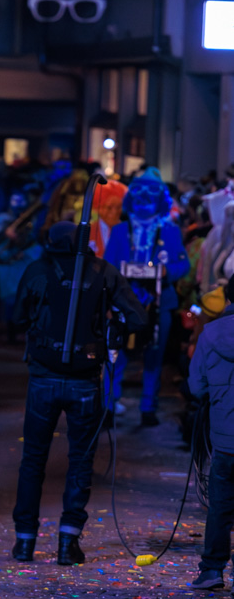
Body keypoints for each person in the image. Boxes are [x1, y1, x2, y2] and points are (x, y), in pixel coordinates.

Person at [12, 221, 148, 565]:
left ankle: (24, 541)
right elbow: (139, 319)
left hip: (43, 376)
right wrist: (112, 329)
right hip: (85, 379)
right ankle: (67, 543)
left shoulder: (37, 269)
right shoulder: (103, 271)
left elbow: (15, 318)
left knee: (33, 460)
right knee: (81, 460)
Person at [104, 168, 189, 425]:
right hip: (123, 304)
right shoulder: (119, 230)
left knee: (154, 355)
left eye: (150, 195)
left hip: (159, 304)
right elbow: (107, 265)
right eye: (138, 194)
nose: (144, 199)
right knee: (116, 354)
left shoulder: (171, 231)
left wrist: (165, 271)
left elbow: (183, 265)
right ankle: (109, 404)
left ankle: (148, 407)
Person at [189, 275, 234, 590]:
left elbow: (196, 386)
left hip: (224, 438)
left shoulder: (210, 334)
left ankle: (212, 570)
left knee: (220, 504)